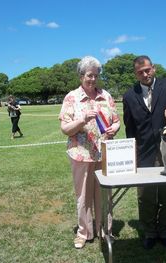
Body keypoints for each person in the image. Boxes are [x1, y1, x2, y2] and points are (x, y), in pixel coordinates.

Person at [123, 55, 166, 249]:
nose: (145, 74)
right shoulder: (129, 96)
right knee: (145, 197)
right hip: (144, 154)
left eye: (147, 70)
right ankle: (150, 232)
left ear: (153, 68)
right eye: (140, 72)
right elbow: (130, 128)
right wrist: (132, 155)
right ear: (135, 74)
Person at [59, 56, 120, 249]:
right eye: (89, 75)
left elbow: (116, 120)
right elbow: (65, 129)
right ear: (81, 76)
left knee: (104, 194)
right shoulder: (71, 98)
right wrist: (82, 120)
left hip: (104, 154)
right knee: (83, 196)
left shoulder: (106, 96)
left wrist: (114, 128)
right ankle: (84, 232)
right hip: (81, 154)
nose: (93, 79)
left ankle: (105, 230)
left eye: (96, 75)